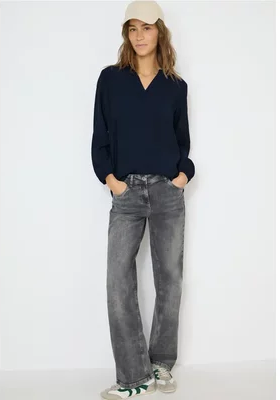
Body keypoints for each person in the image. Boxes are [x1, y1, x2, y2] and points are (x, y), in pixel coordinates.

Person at [91, 1, 195, 398]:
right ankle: (134, 378)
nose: (139, 35)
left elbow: (182, 141)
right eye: (132, 28)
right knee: (118, 282)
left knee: (170, 280)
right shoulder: (111, 79)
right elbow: (100, 136)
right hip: (127, 191)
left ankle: (160, 364)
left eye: (147, 28)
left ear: (160, 32)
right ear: (126, 34)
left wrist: (182, 176)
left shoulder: (176, 86)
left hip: (168, 191)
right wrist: (112, 180)